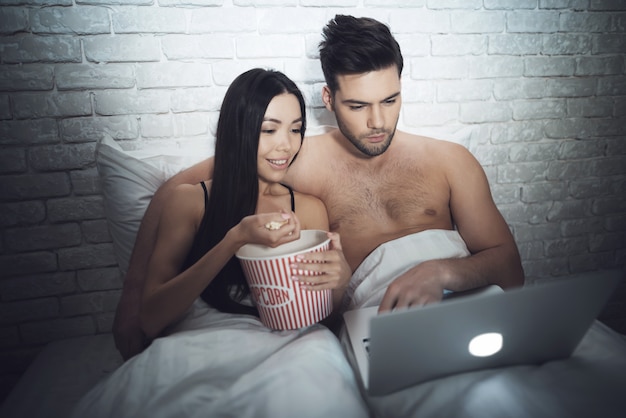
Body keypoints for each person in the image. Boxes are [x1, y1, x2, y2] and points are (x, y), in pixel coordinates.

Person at [113, 14, 524, 360]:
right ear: (328, 98)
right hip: (386, 322)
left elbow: (511, 269)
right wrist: (133, 302)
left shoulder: (450, 160)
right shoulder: (295, 157)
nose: (377, 121)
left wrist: (442, 271)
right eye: (358, 106)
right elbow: (175, 189)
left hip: (476, 304)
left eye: (390, 100)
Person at [137, 68, 350, 340]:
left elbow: (322, 321)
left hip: (290, 347)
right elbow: (150, 318)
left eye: (295, 129)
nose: (286, 145)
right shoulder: (190, 201)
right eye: (269, 129)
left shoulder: (308, 209)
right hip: (203, 344)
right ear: (238, 130)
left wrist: (340, 282)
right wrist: (234, 240)